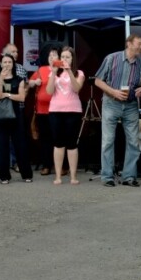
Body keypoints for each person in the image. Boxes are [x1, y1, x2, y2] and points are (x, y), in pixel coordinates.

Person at [94, 34, 141, 187]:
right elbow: (97, 80)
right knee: (108, 141)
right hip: (111, 102)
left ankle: (129, 176)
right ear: (129, 44)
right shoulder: (112, 58)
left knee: (133, 141)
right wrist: (113, 92)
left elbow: (140, 86)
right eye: (139, 43)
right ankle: (107, 176)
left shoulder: (140, 63)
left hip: (130, 104)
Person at [0, 53, 33, 183]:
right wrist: (1, 79)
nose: (7, 64)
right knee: (2, 146)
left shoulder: (19, 79)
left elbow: (22, 97)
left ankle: (26, 174)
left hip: (16, 115)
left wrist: (7, 94)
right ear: (0, 64)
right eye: (4, 62)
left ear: (13, 64)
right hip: (0, 116)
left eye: (9, 62)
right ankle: (4, 176)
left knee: (20, 145)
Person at [47, 46, 84, 185]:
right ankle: (58, 176)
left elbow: (76, 88)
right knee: (58, 143)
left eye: (67, 57)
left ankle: (73, 176)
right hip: (56, 110)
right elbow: (49, 91)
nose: (64, 59)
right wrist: (53, 72)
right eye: (62, 57)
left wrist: (69, 71)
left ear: (72, 59)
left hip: (73, 111)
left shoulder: (79, 73)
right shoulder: (54, 73)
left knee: (72, 144)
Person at [30, 47, 60, 176]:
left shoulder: (62, 70)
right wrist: (34, 82)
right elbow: (29, 83)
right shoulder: (41, 70)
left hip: (58, 110)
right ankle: (46, 165)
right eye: (50, 55)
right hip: (42, 111)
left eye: (54, 55)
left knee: (58, 138)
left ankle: (60, 165)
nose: (52, 57)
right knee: (45, 139)